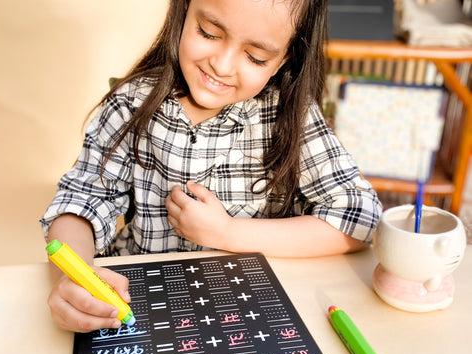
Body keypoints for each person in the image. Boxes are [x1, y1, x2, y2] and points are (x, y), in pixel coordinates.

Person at [41, 0, 382, 332]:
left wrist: (228, 232)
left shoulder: (289, 117)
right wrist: (77, 275)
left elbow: (360, 218)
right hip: (141, 308)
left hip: (250, 315)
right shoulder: (132, 103)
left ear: (283, 59)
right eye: (208, 32)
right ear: (184, 9)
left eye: (255, 56)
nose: (222, 65)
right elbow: (81, 201)